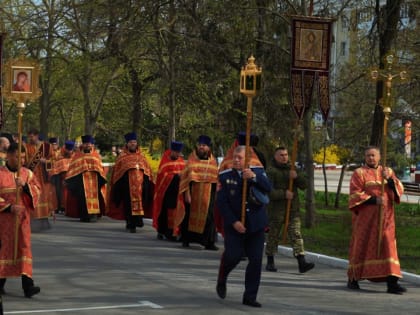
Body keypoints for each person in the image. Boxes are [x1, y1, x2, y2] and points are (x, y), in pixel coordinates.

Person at [216, 145, 272, 307]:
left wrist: (254, 177)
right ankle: (222, 276)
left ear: (247, 159)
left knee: (255, 260)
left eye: (239, 158)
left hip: (255, 225)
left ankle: (250, 296)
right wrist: (234, 222)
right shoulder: (225, 176)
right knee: (233, 256)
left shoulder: (258, 172)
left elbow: (269, 188)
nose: (236, 160)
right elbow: (222, 203)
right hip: (234, 225)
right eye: (234, 157)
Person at [347, 146, 406, 294]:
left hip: (386, 218)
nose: (371, 158)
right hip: (366, 219)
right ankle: (353, 279)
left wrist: (390, 181)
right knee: (362, 245)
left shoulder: (387, 171)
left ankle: (392, 283)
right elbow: (354, 194)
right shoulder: (359, 173)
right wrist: (373, 199)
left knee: (388, 246)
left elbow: (398, 189)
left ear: (379, 157)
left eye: (373, 155)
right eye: (368, 156)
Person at [0, 143, 41, 298]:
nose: (21, 160)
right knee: (4, 250)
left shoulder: (27, 174)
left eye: (23, 157)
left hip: (22, 220)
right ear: (8, 156)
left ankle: (28, 286)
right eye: (18, 156)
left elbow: (37, 191)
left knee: (24, 248)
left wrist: (25, 187)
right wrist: (9, 207)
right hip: (3, 221)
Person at [265, 146, 314, 273]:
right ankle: (270, 261)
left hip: (292, 209)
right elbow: (268, 191)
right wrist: (283, 194)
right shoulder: (270, 171)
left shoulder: (293, 169)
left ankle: (301, 262)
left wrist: (296, 177)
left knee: (296, 234)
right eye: (281, 155)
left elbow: (304, 185)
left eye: (286, 154)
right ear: (275, 156)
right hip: (276, 210)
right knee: (273, 235)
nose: (284, 157)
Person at [107, 132, 154, 233]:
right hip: (126, 186)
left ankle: (137, 220)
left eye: (134, 142)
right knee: (128, 205)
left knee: (141, 203)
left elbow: (148, 171)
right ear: (127, 144)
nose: (133, 144)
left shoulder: (142, 157)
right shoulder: (122, 157)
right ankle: (130, 223)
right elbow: (117, 173)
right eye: (131, 142)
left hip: (141, 186)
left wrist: (147, 183)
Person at [178, 135, 219, 250]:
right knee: (189, 216)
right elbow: (185, 180)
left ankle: (208, 242)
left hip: (208, 195)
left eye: (204, 145)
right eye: (200, 145)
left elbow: (215, 181)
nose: (201, 147)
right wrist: (186, 194)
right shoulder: (191, 161)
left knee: (209, 217)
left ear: (208, 147)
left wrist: (216, 196)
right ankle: (186, 239)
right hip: (192, 194)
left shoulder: (213, 162)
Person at [65, 135, 107, 222]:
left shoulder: (96, 155)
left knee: (95, 197)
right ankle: (84, 215)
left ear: (92, 145)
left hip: (94, 180)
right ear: (83, 145)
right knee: (82, 198)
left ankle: (93, 215)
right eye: (86, 144)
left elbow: (100, 168)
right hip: (81, 181)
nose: (88, 145)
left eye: (89, 144)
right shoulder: (78, 155)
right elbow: (73, 168)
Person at [152, 141, 186, 240]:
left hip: (177, 192)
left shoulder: (181, 161)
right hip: (166, 192)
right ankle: (163, 231)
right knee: (165, 212)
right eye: (176, 152)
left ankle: (175, 232)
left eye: (179, 153)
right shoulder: (165, 161)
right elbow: (162, 176)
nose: (178, 154)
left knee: (176, 212)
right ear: (171, 151)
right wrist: (176, 176)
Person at [24, 128, 55, 221]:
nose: (30, 138)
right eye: (29, 136)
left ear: (37, 136)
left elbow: (54, 161)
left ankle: (43, 214)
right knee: (33, 194)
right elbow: (23, 162)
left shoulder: (47, 147)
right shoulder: (25, 147)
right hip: (31, 175)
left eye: (32, 136)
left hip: (43, 175)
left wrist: (45, 161)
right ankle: (33, 214)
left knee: (43, 195)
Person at [48, 140, 75, 214]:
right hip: (59, 177)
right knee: (58, 191)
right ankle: (58, 206)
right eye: (67, 150)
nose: (69, 152)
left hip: (70, 178)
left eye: (70, 150)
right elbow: (54, 165)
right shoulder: (59, 155)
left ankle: (66, 207)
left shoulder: (75, 157)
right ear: (65, 148)